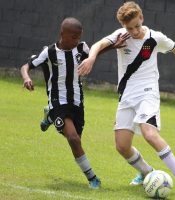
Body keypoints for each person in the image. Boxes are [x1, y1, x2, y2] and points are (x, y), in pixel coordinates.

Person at [78, 1, 175, 195]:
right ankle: (147, 172)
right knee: (122, 146)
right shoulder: (121, 36)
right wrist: (91, 57)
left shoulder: (155, 38)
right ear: (123, 26)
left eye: (136, 26)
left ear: (141, 18)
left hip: (147, 92)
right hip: (126, 96)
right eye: (129, 28)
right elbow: (99, 44)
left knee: (149, 134)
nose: (134, 31)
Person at [20, 17, 128, 189]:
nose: (76, 40)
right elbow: (26, 66)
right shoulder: (49, 52)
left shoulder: (81, 48)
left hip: (77, 102)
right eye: (73, 37)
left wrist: (114, 46)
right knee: (73, 139)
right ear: (62, 34)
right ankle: (93, 178)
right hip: (57, 101)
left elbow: (95, 53)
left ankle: (49, 117)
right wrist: (26, 77)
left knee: (75, 136)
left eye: (79, 37)